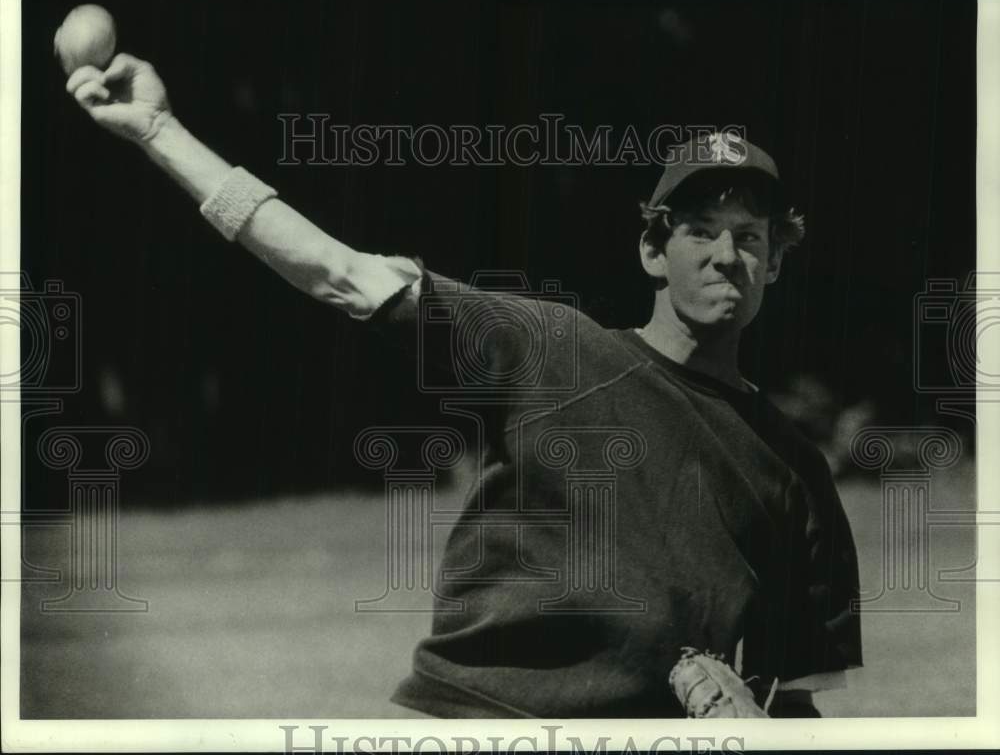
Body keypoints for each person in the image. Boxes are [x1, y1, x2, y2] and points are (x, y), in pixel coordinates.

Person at [66, 53, 863, 718]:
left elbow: (793, 695)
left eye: (751, 237)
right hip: (479, 720)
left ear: (776, 264)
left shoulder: (793, 470)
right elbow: (341, 274)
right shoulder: (550, 349)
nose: (727, 255)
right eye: (699, 231)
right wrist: (159, 131)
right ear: (654, 252)